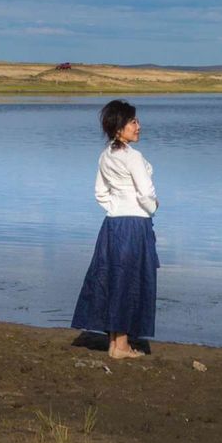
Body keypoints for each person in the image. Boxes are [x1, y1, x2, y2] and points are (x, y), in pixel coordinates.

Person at [72, 98, 158, 360]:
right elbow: (146, 192)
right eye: (133, 121)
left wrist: (117, 206)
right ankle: (121, 346)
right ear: (119, 128)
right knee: (129, 281)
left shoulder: (105, 155)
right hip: (134, 224)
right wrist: (151, 207)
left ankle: (114, 342)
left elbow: (100, 192)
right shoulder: (133, 157)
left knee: (113, 279)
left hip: (113, 224)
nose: (138, 126)